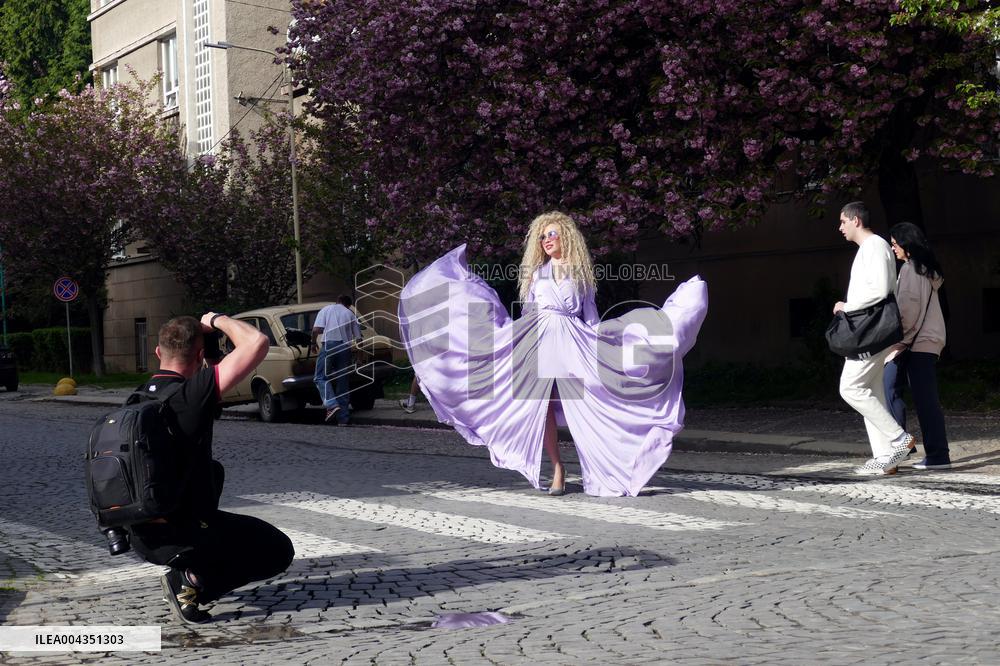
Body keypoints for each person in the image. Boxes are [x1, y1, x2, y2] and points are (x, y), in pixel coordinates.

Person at [398, 211, 708, 497]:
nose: (547, 240)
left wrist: (603, 345)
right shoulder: (536, 274)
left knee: (583, 405)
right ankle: (557, 468)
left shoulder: (581, 275)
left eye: (553, 234)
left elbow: (590, 316)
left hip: (573, 343)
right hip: (539, 342)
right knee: (541, 406)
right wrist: (513, 339)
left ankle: (601, 469)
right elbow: (529, 313)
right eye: (543, 236)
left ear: (566, 237)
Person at [128, 314, 294, 624]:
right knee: (277, 550)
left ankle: (191, 567)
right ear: (200, 356)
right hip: (180, 534)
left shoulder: (139, 397)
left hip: (139, 531)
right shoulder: (190, 394)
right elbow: (257, 342)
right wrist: (216, 319)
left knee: (213, 471)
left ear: (158, 352)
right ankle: (190, 582)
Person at [834, 202, 916, 475]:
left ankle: (899, 439)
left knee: (850, 388)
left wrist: (847, 306)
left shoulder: (875, 246)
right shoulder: (870, 248)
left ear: (856, 220)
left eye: (843, 221)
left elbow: (881, 290)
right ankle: (886, 457)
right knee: (873, 391)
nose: (840, 227)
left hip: (872, 331)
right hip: (870, 330)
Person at [883, 222, 951, 469]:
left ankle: (933, 454)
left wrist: (897, 343)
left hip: (915, 342)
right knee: (917, 397)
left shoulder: (911, 269)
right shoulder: (925, 269)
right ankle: (915, 449)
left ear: (907, 244)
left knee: (896, 391)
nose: (893, 249)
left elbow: (908, 311)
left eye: (895, 244)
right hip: (925, 341)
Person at [311, 295, 362, 425]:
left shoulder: (326, 309)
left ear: (337, 301)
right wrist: (359, 357)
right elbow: (359, 339)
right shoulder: (350, 314)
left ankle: (331, 404)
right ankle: (343, 419)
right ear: (348, 305)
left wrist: (313, 343)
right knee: (343, 383)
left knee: (320, 377)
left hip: (329, 346)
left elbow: (316, 329)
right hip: (345, 349)